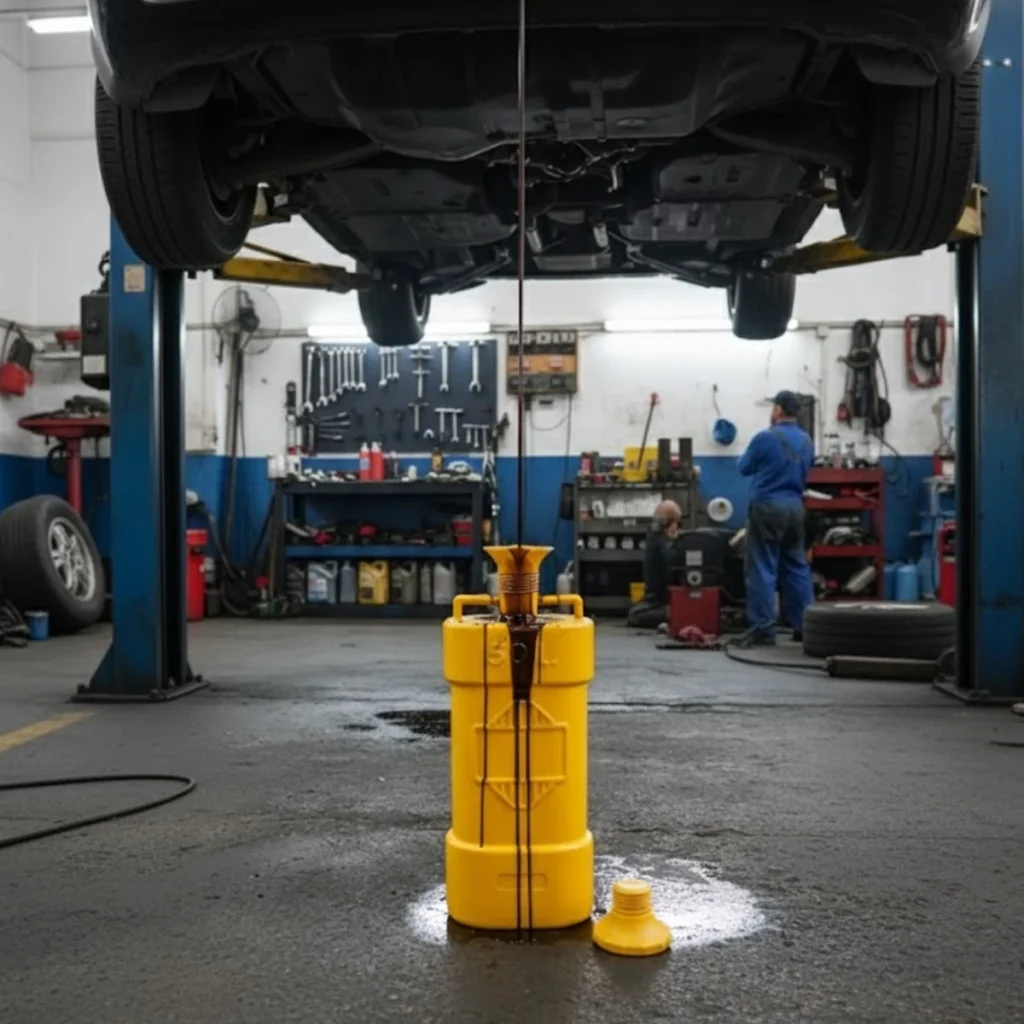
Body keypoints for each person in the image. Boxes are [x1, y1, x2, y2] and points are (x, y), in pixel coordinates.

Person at [738, 390, 814, 644]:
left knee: (762, 567)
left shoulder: (765, 438)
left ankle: (763, 629)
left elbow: (743, 468)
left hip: (768, 507)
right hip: (795, 508)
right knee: (796, 566)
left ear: (778, 410)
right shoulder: (807, 441)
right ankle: (806, 626)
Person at [626, 500, 681, 628]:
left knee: (635, 615)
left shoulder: (656, 538)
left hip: (659, 600)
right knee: (636, 613)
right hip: (660, 599)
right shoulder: (662, 540)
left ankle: (679, 613)